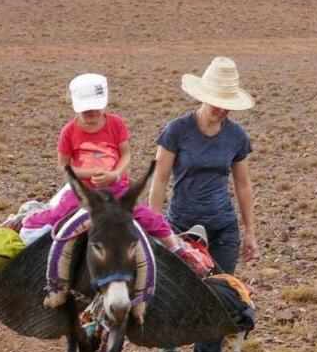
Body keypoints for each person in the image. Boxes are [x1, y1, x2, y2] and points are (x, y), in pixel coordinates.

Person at [21, 74, 208, 274]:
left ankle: (178, 250)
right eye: (86, 109)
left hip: (116, 188)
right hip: (85, 192)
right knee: (57, 215)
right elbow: (64, 166)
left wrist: (116, 175)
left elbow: (126, 153)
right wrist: (89, 173)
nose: (91, 113)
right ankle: (29, 232)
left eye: (96, 108)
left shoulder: (116, 124)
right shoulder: (69, 131)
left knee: (148, 217)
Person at [149, 56, 257, 352]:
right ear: (203, 95)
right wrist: (156, 224)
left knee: (218, 297)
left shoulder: (236, 136)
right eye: (218, 102)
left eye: (228, 104)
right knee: (176, 293)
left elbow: (243, 185)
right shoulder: (177, 130)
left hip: (223, 227)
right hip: (180, 226)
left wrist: (250, 230)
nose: (223, 110)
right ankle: (168, 343)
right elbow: (160, 178)